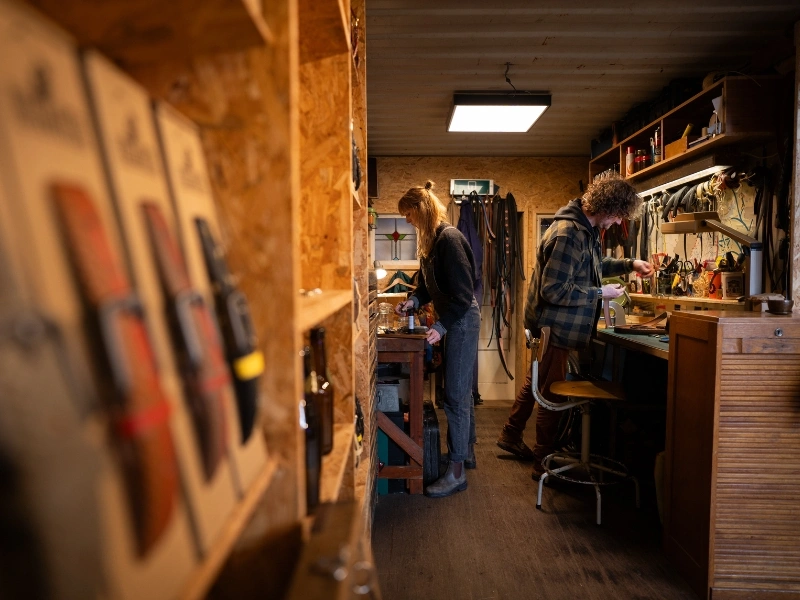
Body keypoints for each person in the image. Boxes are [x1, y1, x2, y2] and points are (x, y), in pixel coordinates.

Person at [495, 177, 654, 480]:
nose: (618, 221)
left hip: (554, 327)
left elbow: (593, 265)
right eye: (618, 215)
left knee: (537, 381)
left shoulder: (585, 229)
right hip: (555, 327)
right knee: (552, 395)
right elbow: (553, 290)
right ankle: (542, 463)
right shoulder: (569, 233)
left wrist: (630, 264)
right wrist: (600, 293)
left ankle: (511, 433)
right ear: (608, 206)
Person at [395, 180, 481, 498]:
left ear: (420, 209)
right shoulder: (431, 243)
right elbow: (427, 286)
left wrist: (442, 326)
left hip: (461, 319)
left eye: (408, 214)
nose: (407, 221)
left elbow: (463, 294)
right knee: (459, 392)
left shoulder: (449, 239)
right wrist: (414, 301)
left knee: (455, 397)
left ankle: (456, 472)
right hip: (453, 319)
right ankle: (465, 453)